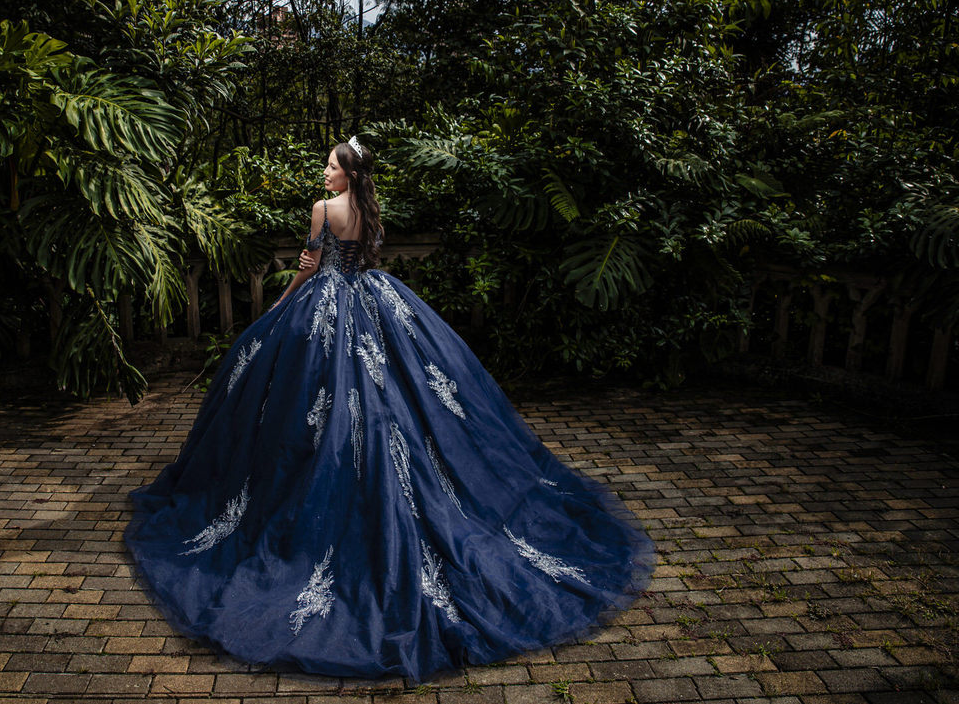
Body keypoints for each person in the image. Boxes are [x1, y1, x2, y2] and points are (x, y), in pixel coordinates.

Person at [124, 137, 654, 681]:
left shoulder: (323, 210)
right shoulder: (371, 211)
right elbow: (365, 257)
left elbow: (310, 263)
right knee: (402, 394)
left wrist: (283, 300)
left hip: (326, 303)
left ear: (349, 173)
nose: (324, 171)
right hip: (374, 297)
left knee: (306, 396)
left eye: (331, 164)